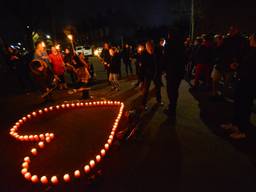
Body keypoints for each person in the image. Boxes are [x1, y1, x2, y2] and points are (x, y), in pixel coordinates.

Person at [221, 34, 256, 139]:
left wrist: (238, 68)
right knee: (237, 103)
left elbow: (251, 69)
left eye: (252, 38)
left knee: (244, 107)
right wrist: (238, 66)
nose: (249, 39)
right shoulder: (251, 50)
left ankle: (242, 130)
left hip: (249, 83)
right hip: (243, 81)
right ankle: (235, 124)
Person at [164, 30, 186, 117]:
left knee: (170, 90)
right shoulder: (181, 45)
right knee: (175, 90)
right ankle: (173, 107)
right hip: (179, 71)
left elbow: (166, 58)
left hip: (171, 71)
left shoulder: (169, 44)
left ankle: (171, 109)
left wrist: (164, 68)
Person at [141, 40, 163, 110]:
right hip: (148, 74)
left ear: (153, 47)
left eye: (151, 48)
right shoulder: (144, 54)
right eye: (148, 49)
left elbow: (160, 62)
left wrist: (160, 71)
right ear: (146, 48)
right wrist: (142, 78)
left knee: (158, 88)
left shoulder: (157, 52)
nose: (150, 50)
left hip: (156, 73)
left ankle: (159, 100)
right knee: (146, 89)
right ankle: (143, 104)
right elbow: (142, 67)